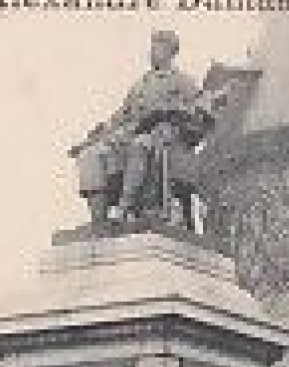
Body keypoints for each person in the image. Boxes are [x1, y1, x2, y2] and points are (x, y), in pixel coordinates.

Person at [72, 29, 209, 224]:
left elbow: (201, 109)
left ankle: (123, 207)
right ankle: (98, 222)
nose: (151, 52)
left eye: (157, 47)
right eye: (152, 47)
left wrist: (172, 110)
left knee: (140, 144)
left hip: (161, 136)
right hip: (126, 136)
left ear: (170, 51)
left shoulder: (182, 81)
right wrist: (92, 138)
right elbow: (120, 116)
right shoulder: (140, 85)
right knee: (89, 155)